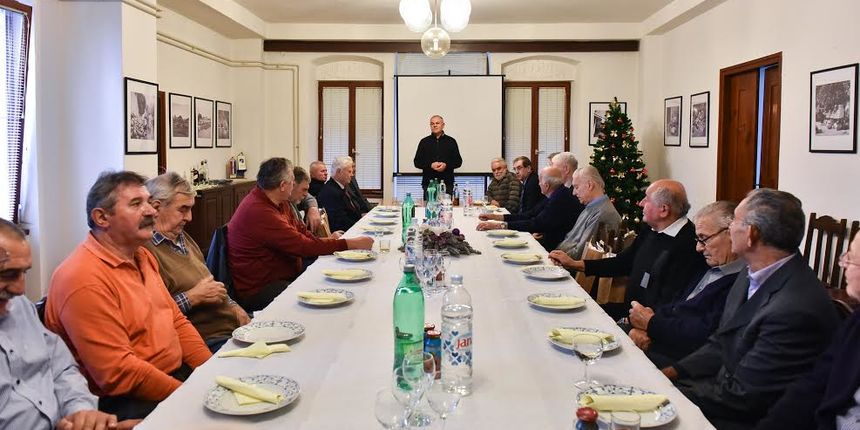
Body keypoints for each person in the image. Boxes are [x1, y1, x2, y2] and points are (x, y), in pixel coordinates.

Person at [662, 188, 840, 429]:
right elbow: (722, 342)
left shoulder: (795, 309)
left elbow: (743, 397)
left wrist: (667, 393)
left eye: (734, 220)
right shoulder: (750, 272)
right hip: (720, 393)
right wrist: (672, 372)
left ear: (751, 234)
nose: (730, 227)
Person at [45, 171, 212, 420]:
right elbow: (119, 372)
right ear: (102, 217)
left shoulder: (142, 255)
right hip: (124, 401)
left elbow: (177, 322)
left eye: (148, 201)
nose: (151, 211)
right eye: (136, 204)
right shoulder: (82, 278)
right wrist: (189, 395)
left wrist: (210, 373)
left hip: (170, 377)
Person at [0, 219, 139, 430]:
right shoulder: (82, 276)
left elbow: (61, 368)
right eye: (8, 274)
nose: (20, 289)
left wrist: (80, 411)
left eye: (24, 273)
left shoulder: (20, 307)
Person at [228, 158, 372, 312]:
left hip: (282, 274)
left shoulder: (279, 201)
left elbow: (302, 232)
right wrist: (349, 244)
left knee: (329, 279)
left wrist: (327, 241)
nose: (294, 184)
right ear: (283, 185)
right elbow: (302, 246)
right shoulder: (260, 210)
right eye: (292, 181)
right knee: (322, 295)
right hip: (261, 288)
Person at [549, 179, 706, 319]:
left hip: (650, 324)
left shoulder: (688, 246)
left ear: (663, 210)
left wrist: (647, 328)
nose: (641, 203)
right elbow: (623, 263)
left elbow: (674, 303)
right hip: (629, 311)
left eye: (647, 199)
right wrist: (574, 264)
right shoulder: (650, 230)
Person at [756, 232, 860, 429]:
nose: (842, 264)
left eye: (851, 258)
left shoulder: (798, 301)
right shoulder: (855, 322)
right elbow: (813, 385)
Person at [625, 201, 744, 368]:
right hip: (661, 339)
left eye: (704, 239)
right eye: (698, 239)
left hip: (681, 361)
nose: (698, 248)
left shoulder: (742, 282)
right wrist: (649, 320)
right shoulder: (708, 267)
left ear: (731, 233)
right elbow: (678, 305)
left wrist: (651, 325)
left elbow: (705, 336)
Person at [144, 172, 250, 353]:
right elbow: (154, 316)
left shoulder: (182, 237)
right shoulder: (146, 252)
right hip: (206, 339)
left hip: (229, 327)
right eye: (183, 209)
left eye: (190, 209)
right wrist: (192, 297)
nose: (189, 217)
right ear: (156, 207)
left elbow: (211, 285)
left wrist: (234, 307)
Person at [477, 166, 583, 251]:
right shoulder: (556, 193)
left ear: (546, 185)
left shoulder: (559, 198)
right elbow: (530, 214)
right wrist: (496, 217)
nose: (538, 184)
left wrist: (499, 225)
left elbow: (536, 223)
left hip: (554, 247)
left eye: (540, 181)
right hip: (547, 238)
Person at [553, 166, 621, 260]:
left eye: (576, 187)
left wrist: (556, 256)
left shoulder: (602, 213)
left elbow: (581, 253)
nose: (574, 192)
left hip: (573, 268)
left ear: (589, 185)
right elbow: (570, 239)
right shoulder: (592, 206)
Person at [413, 114, 462, 198]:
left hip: (447, 183)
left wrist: (446, 165)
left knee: (446, 209)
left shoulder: (451, 141)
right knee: (429, 209)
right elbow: (417, 162)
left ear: (443, 125)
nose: (435, 125)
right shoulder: (424, 142)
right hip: (429, 184)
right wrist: (430, 165)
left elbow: (458, 161)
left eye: (437, 123)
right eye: (432, 124)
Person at [317, 156, 365, 232]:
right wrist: (362, 227)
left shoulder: (340, 188)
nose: (352, 175)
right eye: (349, 172)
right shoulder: (330, 192)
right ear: (339, 171)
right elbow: (340, 222)